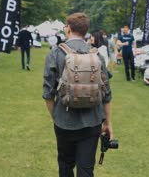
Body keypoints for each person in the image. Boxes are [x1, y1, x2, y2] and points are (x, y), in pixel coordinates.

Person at [43, 13, 113, 177]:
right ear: (86, 31)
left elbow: (48, 93)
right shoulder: (97, 55)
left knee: (66, 166)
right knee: (86, 169)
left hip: (64, 122)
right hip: (92, 122)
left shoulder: (55, 53)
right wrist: (108, 123)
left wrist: (56, 117)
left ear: (68, 29)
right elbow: (107, 94)